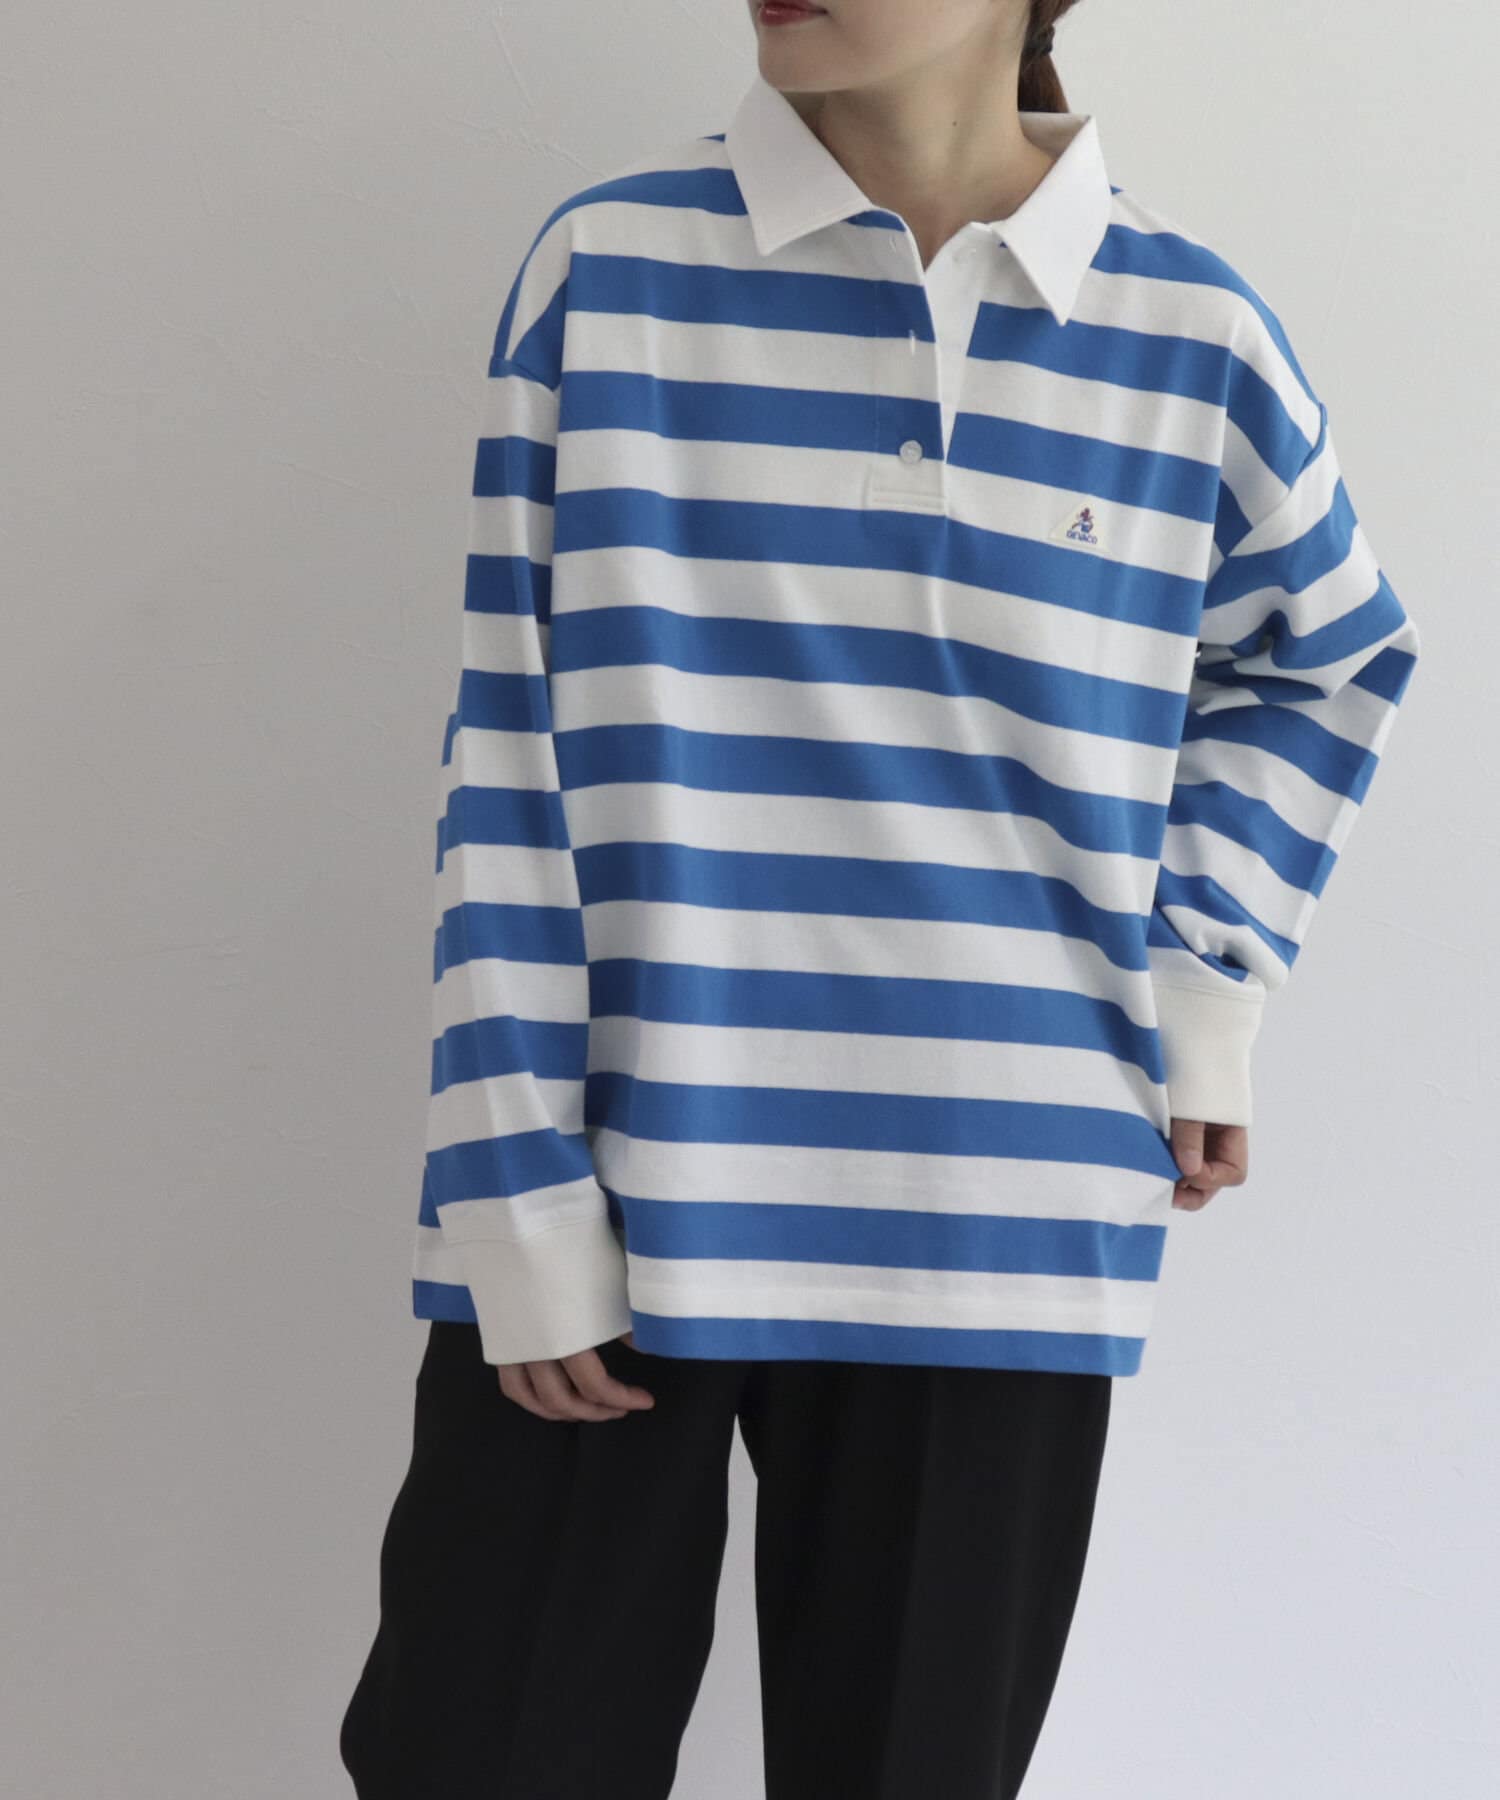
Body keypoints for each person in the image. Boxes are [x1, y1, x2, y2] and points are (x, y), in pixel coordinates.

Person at [340, 3, 1421, 1795]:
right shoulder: (613, 271)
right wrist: (511, 1197)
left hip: (999, 1207)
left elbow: (1329, 660)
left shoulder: (1192, 331)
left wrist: (1200, 989)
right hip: (615, 1185)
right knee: (481, 1756)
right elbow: (508, 754)